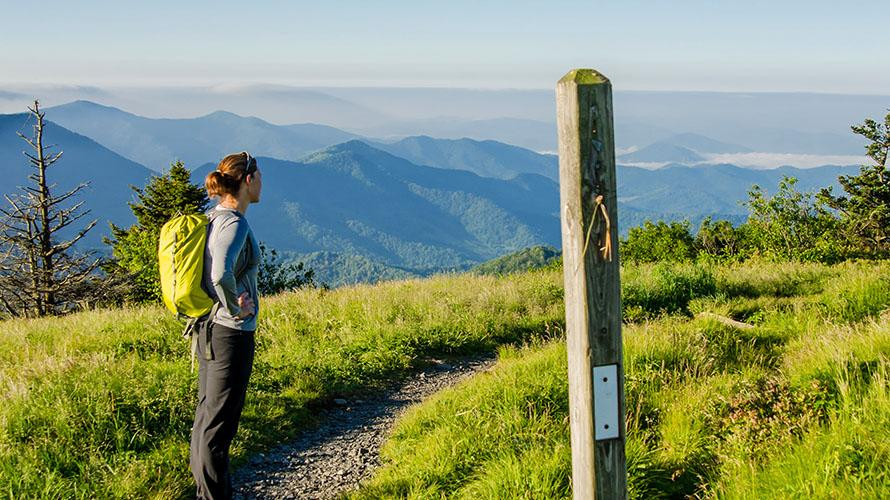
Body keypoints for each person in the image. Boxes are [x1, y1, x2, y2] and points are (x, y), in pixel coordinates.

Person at [190, 151, 262, 499]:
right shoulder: (235, 223)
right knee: (218, 426)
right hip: (229, 334)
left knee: (207, 418)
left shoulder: (214, 217)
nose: (262, 183)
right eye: (259, 176)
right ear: (248, 180)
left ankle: (209, 492)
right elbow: (220, 274)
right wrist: (235, 308)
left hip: (209, 331)